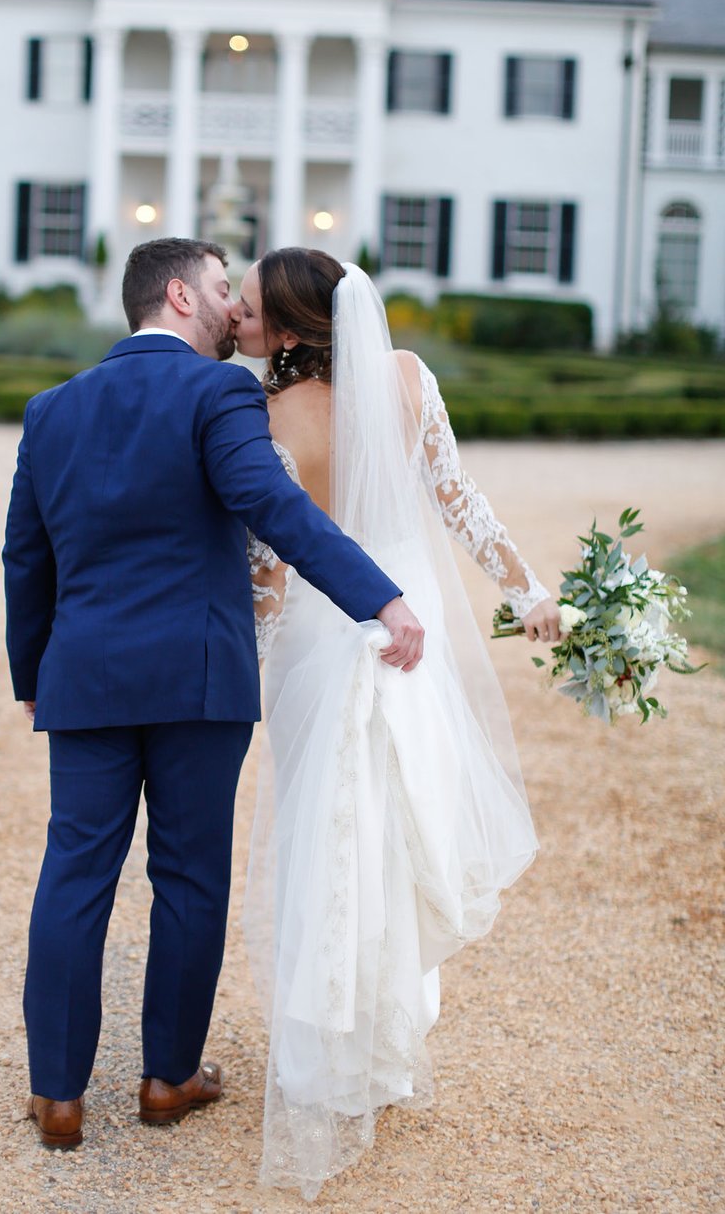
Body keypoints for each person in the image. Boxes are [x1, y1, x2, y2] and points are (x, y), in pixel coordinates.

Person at [2, 237, 424, 1151]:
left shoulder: (51, 410)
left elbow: (24, 559)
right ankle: (167, 1079)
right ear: (179, 295)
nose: (238, 309)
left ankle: (59, 1096)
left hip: (85, 679)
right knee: (189, 878)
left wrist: (32, 677)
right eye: (225, 289)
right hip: (200, 679)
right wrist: (381, 598)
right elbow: (275, 509)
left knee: (75, 873)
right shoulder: (222, 392)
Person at [232, 248, 559, 1200]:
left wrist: (239, 677)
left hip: (316, 641)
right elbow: (462, 506)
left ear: (289, 330)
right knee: (393, 829)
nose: (238, 321)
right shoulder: (410, 381)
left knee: (321, 834)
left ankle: (326, 1057)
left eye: (250, 309)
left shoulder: (258, 415)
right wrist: (530, 589)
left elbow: (267, 570)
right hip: (403, 627)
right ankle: (382, 1046)